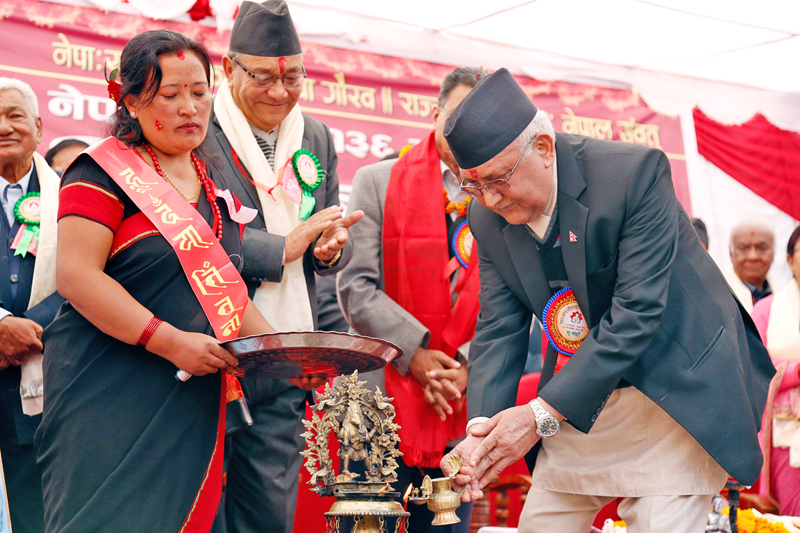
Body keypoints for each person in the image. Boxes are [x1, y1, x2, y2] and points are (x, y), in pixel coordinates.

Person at [438, 68, 774, 533]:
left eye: (499, 179)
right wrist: (483, 432)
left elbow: (636, 313)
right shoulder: (486, 218)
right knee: (542, 525)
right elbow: (499, 327)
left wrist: (537, 416)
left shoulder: (632, 175)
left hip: (675, 381)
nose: (490, 199)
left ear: (544, 148)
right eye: (473, 185)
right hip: (585, 389)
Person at [35, 30, 280, 533]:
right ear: (131, 102)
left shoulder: (213, 183)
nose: (190, 107)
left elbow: (226, 293)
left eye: (200, 91)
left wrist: (290, 356)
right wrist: (168, 341)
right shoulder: (99, 171)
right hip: (105, 393)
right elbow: (77, 277)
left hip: (189, 398)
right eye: (170, 95)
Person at [201, 2, 362, 531]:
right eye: (263, 76)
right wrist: (281, 249)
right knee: (199, 509)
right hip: (206, 351)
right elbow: (188, 235)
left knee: (268, 513)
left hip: (284, 358)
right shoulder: (197, 128)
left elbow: (322, 238)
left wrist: (327, 249)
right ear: (228, 68)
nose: (279, 91)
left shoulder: (315, 135)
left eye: (293, 76)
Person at [337, 66, 483, 532]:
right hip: (379, 408)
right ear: (436, 113)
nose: (466, 130)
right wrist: (416, 356)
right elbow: (355, 288)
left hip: (459, 407)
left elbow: (507, 302)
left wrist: (464, 367)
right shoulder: (376, 181)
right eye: (457, 115)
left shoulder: (497, 194)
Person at [0, 77, 62, 533]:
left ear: (39, 127)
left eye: (14, 115)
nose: (4, 127)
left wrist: (30, 329)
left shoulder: (71, 195)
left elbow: (92, 273)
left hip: (48, 374)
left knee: (40, 510)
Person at [751, 225, 800, 515]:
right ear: (790, 260)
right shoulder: (766, 310)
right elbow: (754, 369)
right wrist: (796, 372)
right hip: (784, 433)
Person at [724, 220, 775, 313]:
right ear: (731, 254)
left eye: (762, 248)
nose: (753, 257)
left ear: (773, 253)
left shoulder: (785, 295)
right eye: (744, 248)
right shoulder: (718, 295)